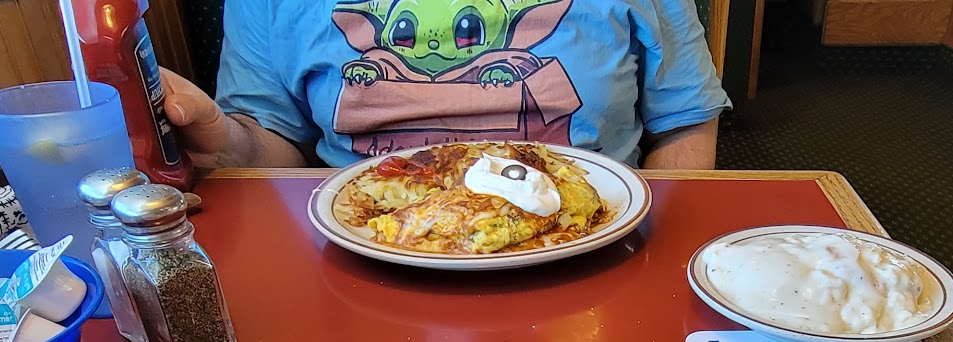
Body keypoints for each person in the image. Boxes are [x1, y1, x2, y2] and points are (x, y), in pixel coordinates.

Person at [158, 0, 730, 170]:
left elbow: (685, 123)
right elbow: (271, 149)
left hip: (590, 244)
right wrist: (221, 140)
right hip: (366, 254)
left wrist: (651, 256)